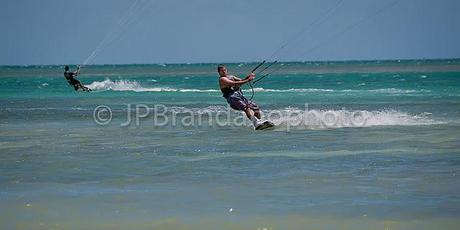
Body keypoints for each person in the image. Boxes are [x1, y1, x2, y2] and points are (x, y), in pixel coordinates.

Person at [218, 64, 270, 130]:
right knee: (247, 108)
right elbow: (235, 84)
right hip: (232, 98)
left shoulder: (231, 77)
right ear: (219, 72)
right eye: (222, 71)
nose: (224, 71)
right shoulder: (222, 79)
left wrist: (248, 77)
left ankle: (260, 123)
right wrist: (248, 80)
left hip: (239, 96)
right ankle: (256, 124)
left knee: (255, 108)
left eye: (225, 70)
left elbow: (241, 81)